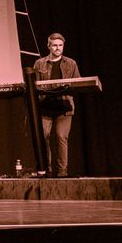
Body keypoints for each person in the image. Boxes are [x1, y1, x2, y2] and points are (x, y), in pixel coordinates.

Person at [33, 33, 81, 177]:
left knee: (61, 137)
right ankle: (46, 170)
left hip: (64, 106)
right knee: (44, 136)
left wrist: (67, 87)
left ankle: (62, 172)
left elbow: (78, 83)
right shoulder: (39, 63)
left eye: (60, 45)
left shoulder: (71, 63)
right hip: (45, 106)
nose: (58, 48)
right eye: (54, 45)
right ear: (49, 46)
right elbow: (34, 86)